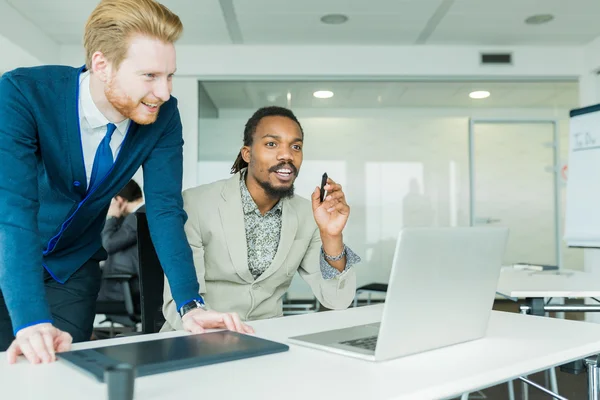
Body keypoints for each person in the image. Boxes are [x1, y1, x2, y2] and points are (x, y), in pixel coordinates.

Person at [0, 0, 250, 365]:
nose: (163, 92)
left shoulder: (163, 116)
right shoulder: (23, 93)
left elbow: (165, 211)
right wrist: (31, 318)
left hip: (72, 269)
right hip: (8, 254)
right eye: (149, 76)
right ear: (102, 65)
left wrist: (190, 305)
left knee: (61, 374)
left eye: (170, 76)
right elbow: (14, 210)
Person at [162, 106, 361, 331]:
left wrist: (331, 236)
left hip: (268, 341)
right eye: (271, 144)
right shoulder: (195, 204)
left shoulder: (308, 214)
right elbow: (178, 305)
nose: (287, 155)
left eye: (296, 146)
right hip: (197, 338)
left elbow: (337, 300)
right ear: (247, 154)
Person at [97, 180, 144, 305]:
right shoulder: (142, 214)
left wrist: (111, 216)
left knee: (75, 293)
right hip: (127, 285)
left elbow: (107, 245)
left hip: (124, 289)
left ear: (120, 200)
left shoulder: (136, 217)